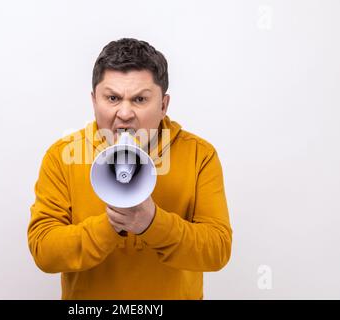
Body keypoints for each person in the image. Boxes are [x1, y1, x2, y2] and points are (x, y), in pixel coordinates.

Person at [27, 38, 232, 299]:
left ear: (163, 105)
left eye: (139, 99)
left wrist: (152, 223)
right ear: (94, 101)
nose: (124, 113)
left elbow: (217, 250)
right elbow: (45, 252)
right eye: (112, 98)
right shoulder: (62, 156)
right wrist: (110, 225)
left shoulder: (199, 155)